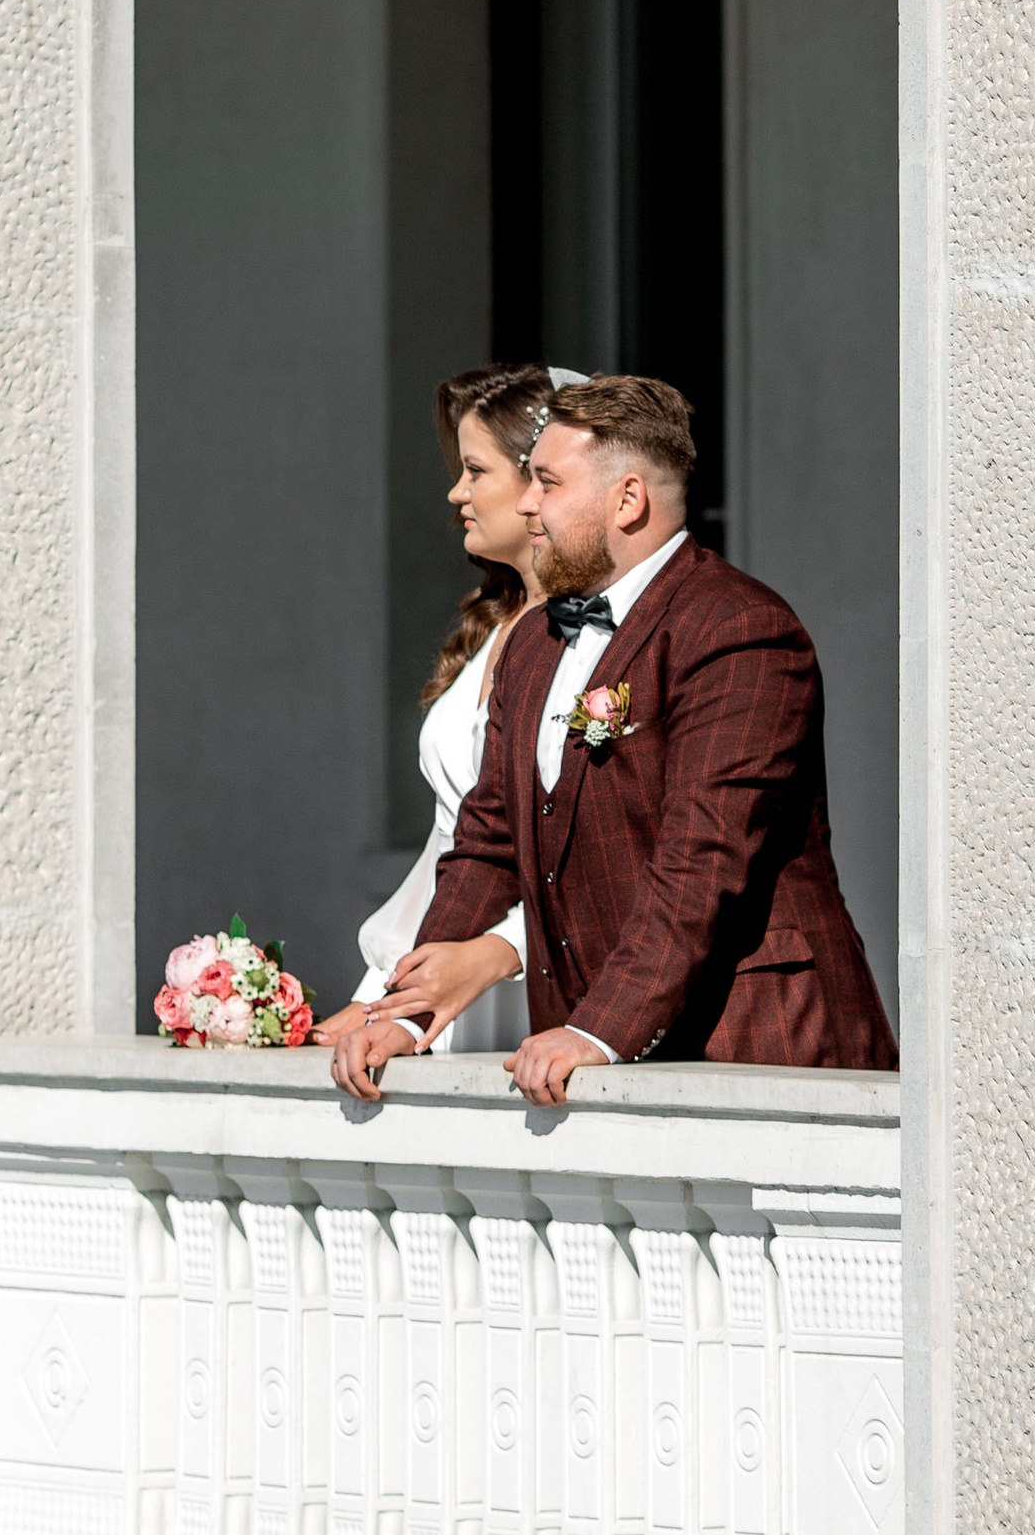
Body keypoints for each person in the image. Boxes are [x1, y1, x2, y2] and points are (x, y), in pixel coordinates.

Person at [329, 372, 895, 1103]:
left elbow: (702, 858)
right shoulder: (536, 639)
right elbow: (488, 843)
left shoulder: (739, 631)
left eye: (549, 484)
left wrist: (600, 1031)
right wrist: (404, 1017)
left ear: (627, 500)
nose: (527, 504)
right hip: (590, 1063)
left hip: (757, 1046)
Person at [313, 364, 575, 1068]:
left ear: (538, 481)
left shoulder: (590, 640)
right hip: (443, 976)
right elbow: (451, 846)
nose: (456, 492)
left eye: (474, 470)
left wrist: (495, 954)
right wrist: (382, 997)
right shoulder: (500, 627)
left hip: (529, 979)